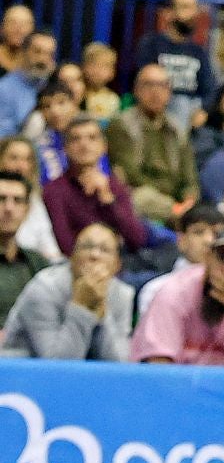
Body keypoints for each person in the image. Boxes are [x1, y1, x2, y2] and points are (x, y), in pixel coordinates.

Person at [130, 227, 224, 367]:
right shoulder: (175, 293)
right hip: (175, 389)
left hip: (223, 392)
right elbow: (159, 366)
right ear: (208, 258)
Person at [1, 223, 134, 359]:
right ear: (72, 257)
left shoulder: (123, 294)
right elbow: (57, 366)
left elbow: (118, 364)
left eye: (104, 249)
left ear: (117, 264)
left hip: (83, 376)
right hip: (20, 372)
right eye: (86, 247)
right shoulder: (44, 288)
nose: (94, 255)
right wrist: (81, 306)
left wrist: (102, 312)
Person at [105, 64, 200, 225]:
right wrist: (171, 205)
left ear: (169, 92)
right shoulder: (121, 124)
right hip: (140, 194)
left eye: (162, 85)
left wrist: (189, 198)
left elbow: (189, 176)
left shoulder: (177, 129)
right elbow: (131, 174)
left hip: (175, 199)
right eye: (148, 85)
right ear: (136, 90)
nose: (155, 92)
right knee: (139, 197)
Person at [42, 117, 148, 258]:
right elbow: (66, 245)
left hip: (121, 261)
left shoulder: (114, 185)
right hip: (80, 265)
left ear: (104, 146)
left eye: (92, 138)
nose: (84, 145)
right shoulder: (54, 190)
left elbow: (137, 239)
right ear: (65, 148)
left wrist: (107, 199)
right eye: (76, 139)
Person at [133, 0, 217, 126]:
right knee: (179, 102)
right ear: (169, 13)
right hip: (158, 105)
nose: (193, 14)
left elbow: (209, 89)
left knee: (186, 103)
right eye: (185, 7)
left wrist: (203, 111)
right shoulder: (151, 44)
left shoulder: (198, 51)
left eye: (194, 8)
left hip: (191, 111)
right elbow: (144, 81)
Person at [0, 169, 45, 324]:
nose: (9, 208)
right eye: (1, 199)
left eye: (17, 200)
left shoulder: (39, 264)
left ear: (27, 210)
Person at [0, 29, 56, 138]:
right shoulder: (4, 89)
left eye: (50, 54)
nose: (43, 59)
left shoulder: (54, 84)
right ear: (23, 52)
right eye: (37, 52)